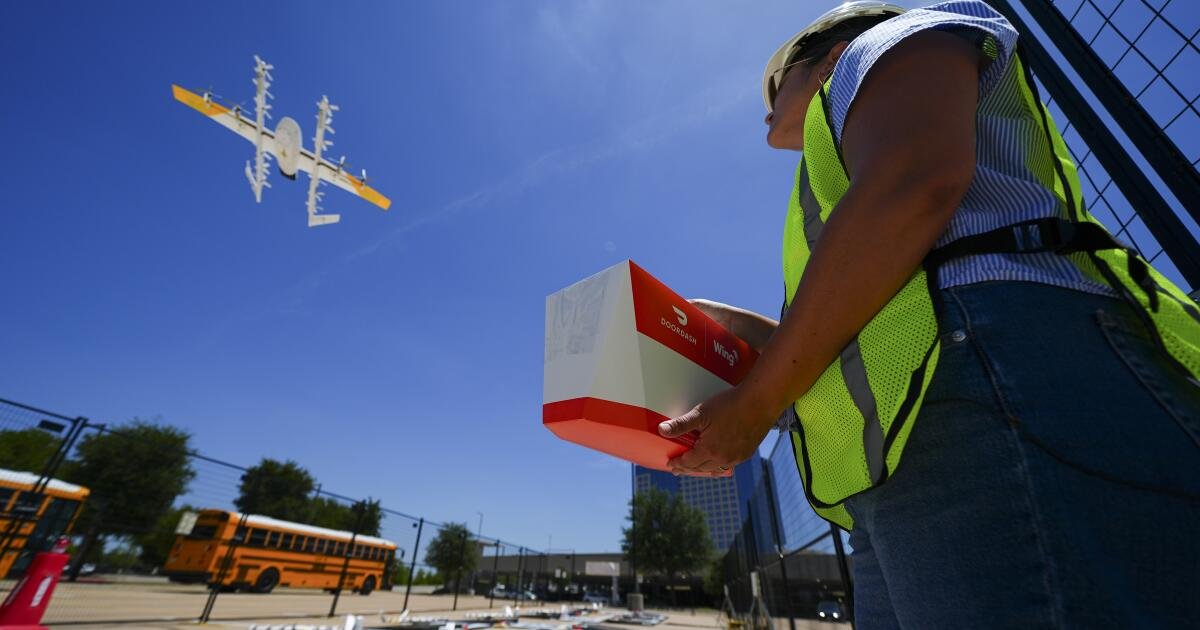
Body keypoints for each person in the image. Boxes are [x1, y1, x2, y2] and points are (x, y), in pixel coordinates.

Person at [656, 1, 1200, 627]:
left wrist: (755, 404)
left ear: (830, 56)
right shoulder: (833, 159)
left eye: (778, 82)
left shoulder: (887, 42)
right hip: (917, 433)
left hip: (987, 376)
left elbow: (912, 185)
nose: (765, 108)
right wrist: (743, 329)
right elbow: (881, 313)